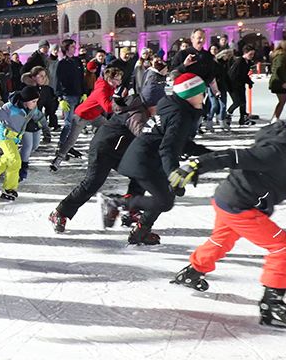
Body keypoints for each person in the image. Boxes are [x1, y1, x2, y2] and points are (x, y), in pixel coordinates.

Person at [167, 104, 286, 331]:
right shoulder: (276, 151)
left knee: (221, 240)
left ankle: (192, 272)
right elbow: (233, 156)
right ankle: (272, 305)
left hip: (229, 199)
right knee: (284, 248)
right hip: (241, 206)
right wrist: (196, 165)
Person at [49, 83, 165, 233]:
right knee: (91, 183)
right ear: (151, 103)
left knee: (142, 172)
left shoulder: (143, 109)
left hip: (119, 148)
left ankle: (131, 209)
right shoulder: (137, 114)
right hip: (103, 148)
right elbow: (144, 135)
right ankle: (60, 213)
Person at [115, 73, 207, 246]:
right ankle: (118, 202)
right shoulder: (181, 115)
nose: (203, 96)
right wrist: (174, 175)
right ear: (190, 95)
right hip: (145, 160)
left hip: (146, 155)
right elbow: (169, 148)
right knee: (164, 200)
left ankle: (140, 231)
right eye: (200, 93)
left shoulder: (174, 105)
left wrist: (206, 153)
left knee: (165, 197)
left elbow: (178, 142)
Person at [51, 65, 123, 171]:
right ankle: (58, 159)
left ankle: (107, 153)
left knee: (109, 128)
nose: (119, 82)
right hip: (82, 116)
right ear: (109, 79)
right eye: (117, 79)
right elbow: (108, 108)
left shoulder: (110, 87)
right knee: (71, 140)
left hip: (94, 115)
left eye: (120, 79)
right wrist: (120, 105)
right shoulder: (102, 89)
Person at [53, 39, 84, 157]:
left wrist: (84, 92)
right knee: (68, 123)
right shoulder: (61, 64)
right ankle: (61, 146)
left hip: (78, 95)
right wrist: (60, 98)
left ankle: (69, 146)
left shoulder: (77, 61)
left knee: (75, 124)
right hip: (68, 96)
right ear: (66, 49)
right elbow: (57, 81)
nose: (74, 48)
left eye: (74, 46)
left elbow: (81, 78)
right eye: (72, 47)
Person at [227, 46, 256, 127]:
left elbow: (244, 75)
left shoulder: (247, 62)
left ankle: (243, 119)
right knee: (237, 102)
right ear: (245, 53)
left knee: (243, 102)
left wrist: (249, 82)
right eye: (250, 54)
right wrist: (244, 81)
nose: (252, 56)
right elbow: (233, 74)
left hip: (240, 85)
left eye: (253, 54)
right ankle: (228, 115)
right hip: (233, 85)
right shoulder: (239, 61)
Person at [267, 42, 286, 123]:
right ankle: (275, 118)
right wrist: (283, 81)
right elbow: (279, 69)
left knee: (282, 100)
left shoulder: (282, 55)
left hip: (278, 81)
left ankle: (275, 117)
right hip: (278, 81)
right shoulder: (282, 56)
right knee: (282, 100)